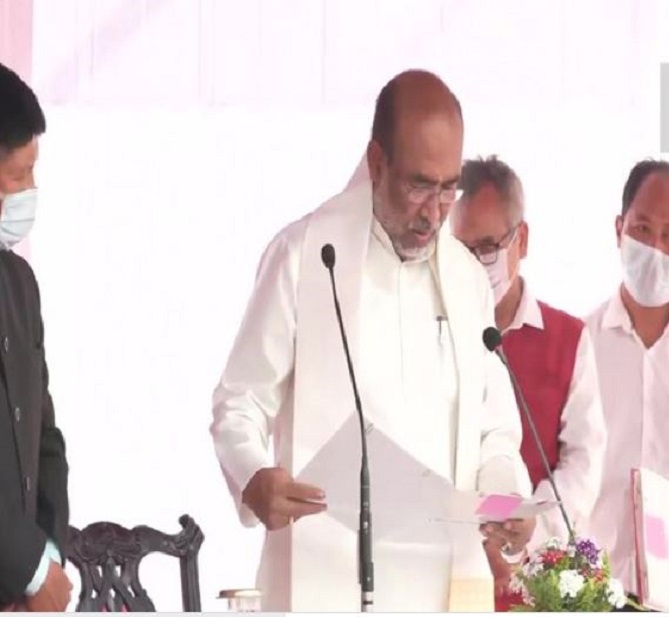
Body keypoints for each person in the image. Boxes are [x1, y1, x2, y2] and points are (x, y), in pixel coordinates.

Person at [211, 69, 536, 612]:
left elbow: (495, 435)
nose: (434, 213)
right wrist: (252, 477)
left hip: (442, 582)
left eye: (448, 188)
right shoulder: (306, 256)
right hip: (326, 571)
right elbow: (240, 401)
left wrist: (506, 503)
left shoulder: (466, 280)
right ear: (376, 161)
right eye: (418, 185)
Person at [450, 155, 606, 610]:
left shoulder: (569, 338)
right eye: (460, 250)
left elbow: (583, 461)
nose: (475, 264)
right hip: (450, 574)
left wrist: (531, 524)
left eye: (486, 247)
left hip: (540, 579)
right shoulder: (433, 331)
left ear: (523, 239)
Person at [0, 63, 72, 612]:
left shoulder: (19, 284)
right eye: (20, 175)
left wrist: (49, 554)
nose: (31, 191)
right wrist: (26, 566)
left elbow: (43, 436)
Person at [586, 159, 669, 611]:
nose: (655, 247)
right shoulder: (582, 346)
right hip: (596, 591)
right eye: (641, 228)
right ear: (619, 228)